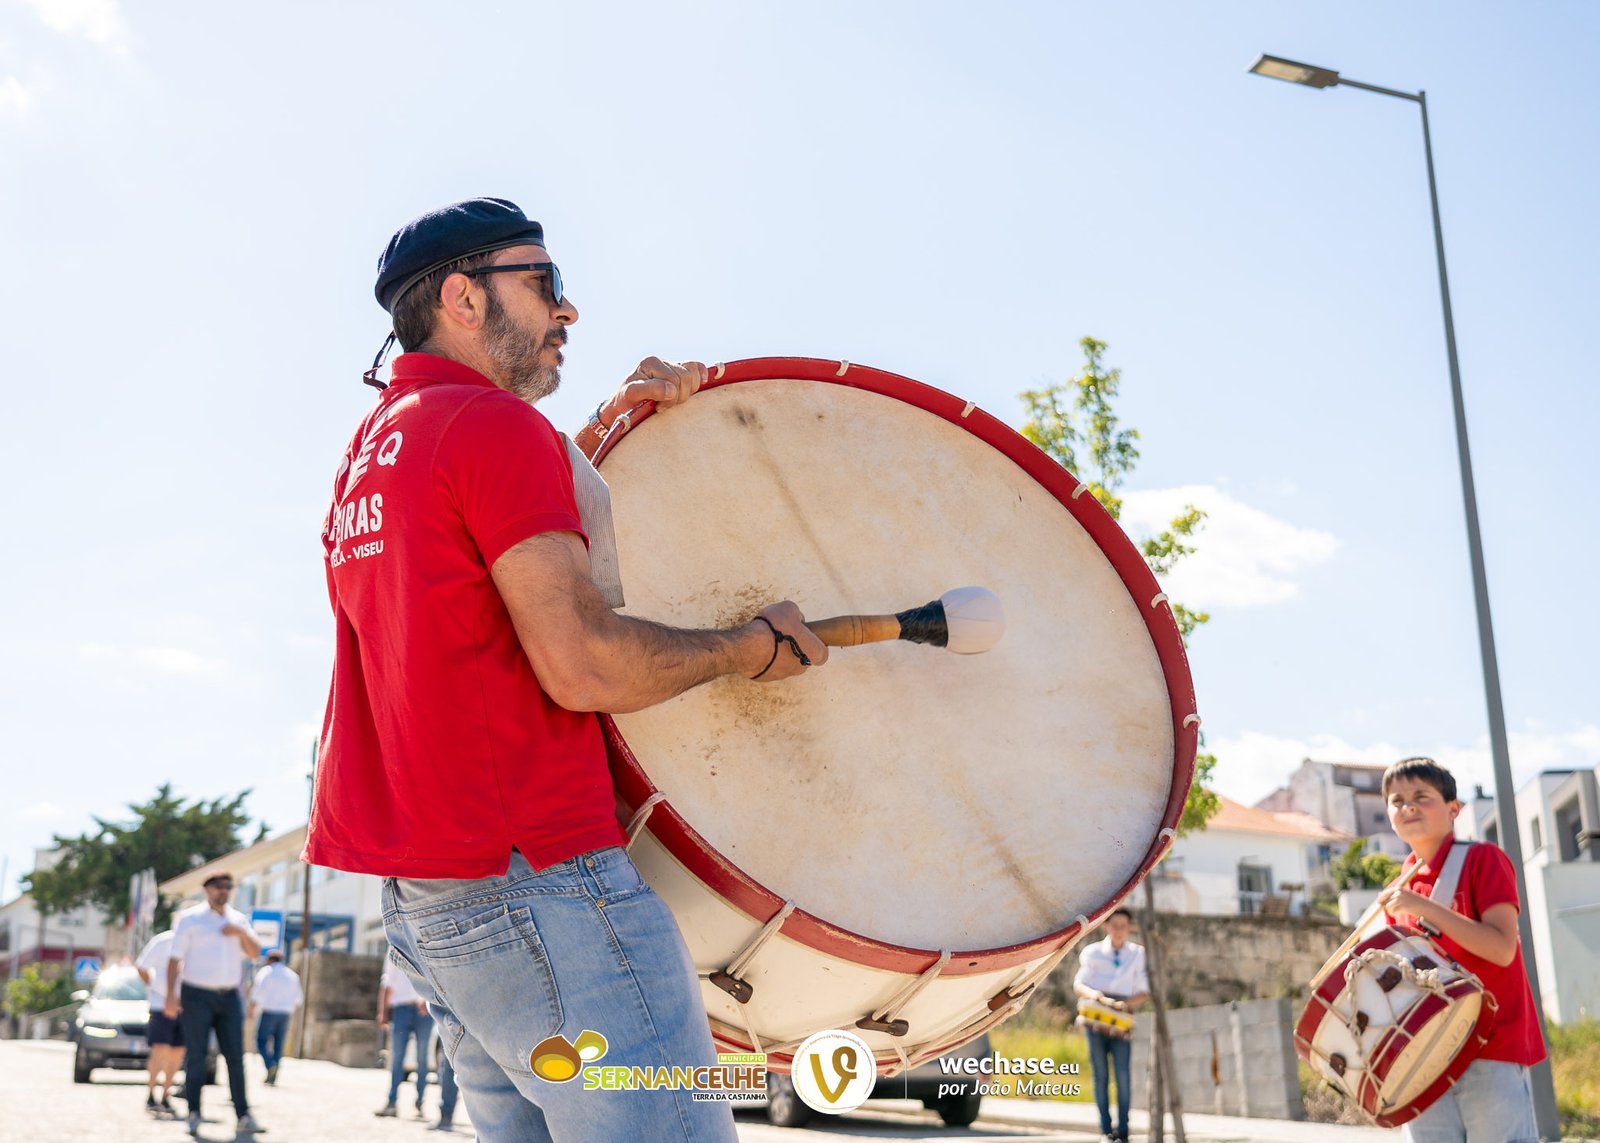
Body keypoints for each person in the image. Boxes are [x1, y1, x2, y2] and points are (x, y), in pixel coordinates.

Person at [304, 196, 827, 1143]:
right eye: (542, 282)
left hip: (435, 902)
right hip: (540, 889)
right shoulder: (491, 431)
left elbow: (477, 581)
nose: (568, 310)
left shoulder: (376, 449)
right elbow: (581, 665)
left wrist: (609, 438)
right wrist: (751, 646)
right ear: (463, 297)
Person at [1376, 756, 1546, 1143]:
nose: (1409, 806)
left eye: (1422, 796)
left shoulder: (1482, 859)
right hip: (1424, 1059)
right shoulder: (1398, 891)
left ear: (1454, 809)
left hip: (1490, 1048)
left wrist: (1422, 908)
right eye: (1397, 800)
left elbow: (1502, 948)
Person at [164, 871, 265, 1136]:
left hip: (230, 996)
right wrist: (171, 996)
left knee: (235, 1057)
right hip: (196, 994)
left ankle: (243, 1114)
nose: (224, 891)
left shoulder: (238, 919)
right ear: (207, 889)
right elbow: (175, 959)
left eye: (228, 887)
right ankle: (194, 1112)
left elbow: (255, 953)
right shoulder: (190, 919)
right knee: (196, 1055)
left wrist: (241, 932)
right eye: (219, 886)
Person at [1073, 908, 1149, 1143]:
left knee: (1123, 1076)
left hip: (1122, 1017)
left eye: (1123, 925)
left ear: (1129, 928)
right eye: (1114, 925)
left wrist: (1122, 1004)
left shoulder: (1138, 954)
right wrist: (1096, 996)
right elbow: (1079, 984)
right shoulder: (1092, 952)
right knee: (1100, 1075)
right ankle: (1105, 1130)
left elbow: (1144, 991)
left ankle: (1123, 1130)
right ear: (1106, 927)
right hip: (1096, 1016)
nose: (1118, 930)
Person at [376, 951, 433, 1118]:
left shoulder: (425, 943)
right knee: (397, 1057)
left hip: (424, 1010)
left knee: (423, 1058)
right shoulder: (394, 948)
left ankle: (420, 1103)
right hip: (401, 1009)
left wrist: (428, 999)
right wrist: (383, 1011)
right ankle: (392, 1102)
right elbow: (387, 981)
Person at [135, 927, 183, 1115]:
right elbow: (142, 967)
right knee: (160, 1049)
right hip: (160, 1005)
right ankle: (151, 1093)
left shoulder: (198, 943)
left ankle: (166, 1094)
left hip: (186, 1008)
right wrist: (156, 989)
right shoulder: (162, 941)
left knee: (177, 1053)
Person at [248, 950, 302, 1086]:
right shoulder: (292, 975)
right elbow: (298, 1000)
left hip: (268, 1012)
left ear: (270, 960)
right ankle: (274, 1075)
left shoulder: (266, 972)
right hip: (285, 1013)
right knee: (279, 1044)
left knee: (260, 1040)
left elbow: (256, 993)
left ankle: (269, 1064)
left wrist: (251, 1011)